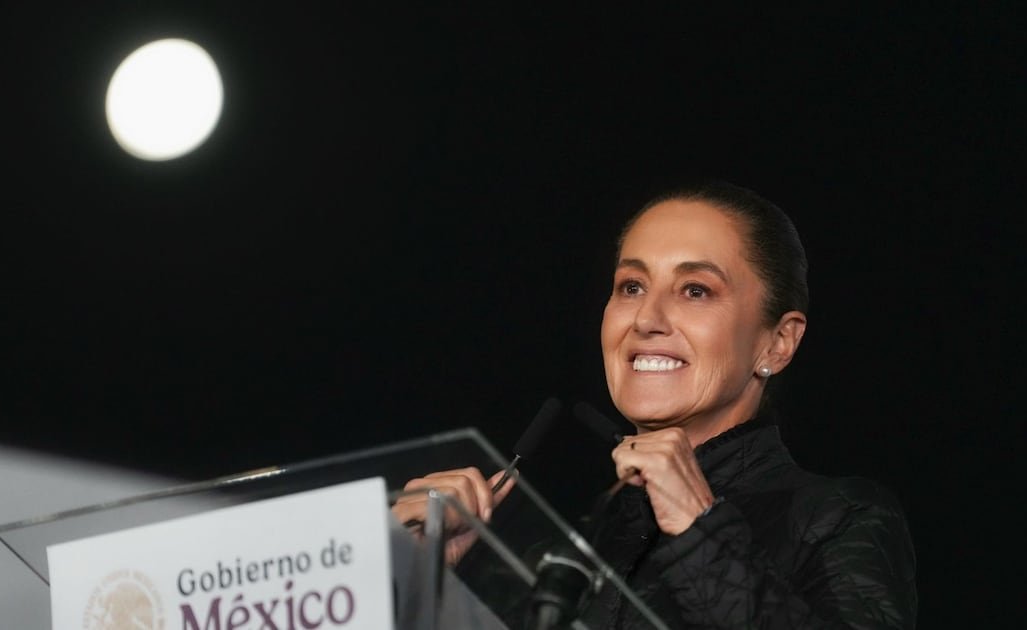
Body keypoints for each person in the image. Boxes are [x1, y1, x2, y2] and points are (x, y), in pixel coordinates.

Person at [392, 178, 918, 629]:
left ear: (777, 343)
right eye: (631, 286)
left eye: (695, 290)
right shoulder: (562, 560)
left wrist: (699, 530)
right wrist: (406, 582)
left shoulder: (839, 517)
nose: (646, 319)